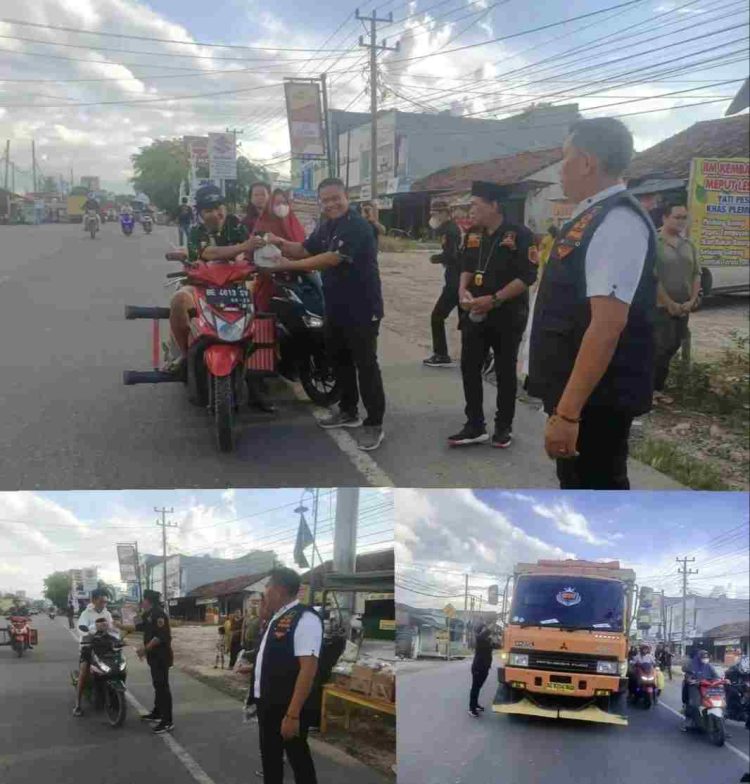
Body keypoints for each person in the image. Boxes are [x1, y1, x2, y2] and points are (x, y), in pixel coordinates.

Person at [528, 117, 657, 490]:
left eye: (564, 157)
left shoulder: (617, 221)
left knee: (595, 493)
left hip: (595, 403)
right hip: (581, 394)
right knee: (579, 489)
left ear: (586, 162)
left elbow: (607, 325)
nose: (560, 169)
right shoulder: (592, 214)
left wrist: (568, 414)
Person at [267, 178, 386, 452]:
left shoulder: (357, 226)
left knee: (366, 364)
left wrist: (289, 265)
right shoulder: (327, 225)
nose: (331, 204)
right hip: (335, 305)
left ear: (347, 198)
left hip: (363, 307)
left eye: (336, 198)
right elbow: (305, 249)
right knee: (339, 359)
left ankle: (374, 424)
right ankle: (348, 411)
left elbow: (332, 258)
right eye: (326, 200)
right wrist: (279, 242)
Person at [448, 181, 536, 449]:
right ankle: (474, 424)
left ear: (494, 205)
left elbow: (527, 276)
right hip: (475, 311)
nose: (470, 210)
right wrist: (462, 291)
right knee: (469, 366)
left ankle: (503, 426)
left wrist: (495, 299)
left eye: (475, 205)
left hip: (507, 314)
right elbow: (466, 266)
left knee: (505, 370)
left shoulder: (519, 234)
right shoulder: (473, 233)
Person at [168, 184, 271, 410]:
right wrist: (243, 247)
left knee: (261, 309)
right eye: (208, 210)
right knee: (178, 300)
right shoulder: (195, 232)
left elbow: (248, 255)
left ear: (225, 207)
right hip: (202, 286)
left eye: (219, 208)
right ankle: (185, 355)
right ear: (199, 213)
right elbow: (209, 253)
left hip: (235, 285)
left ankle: (257, 379)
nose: (216, 214)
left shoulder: (238, 226)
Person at [250, 568, 322, 784]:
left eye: (267, 586)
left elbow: (308, 669)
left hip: (288, 707)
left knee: (298, 760)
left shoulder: (305, 618)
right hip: (269, 704)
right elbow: (274, 655)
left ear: (279, 589)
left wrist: (292, 715)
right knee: (270, 759)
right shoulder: (278, 617)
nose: (264, 592)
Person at [653, 201, 701, 402]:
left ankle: (657, 389)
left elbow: (696, 273)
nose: (681, 221)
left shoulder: (689, 245)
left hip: (683, 307)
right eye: (677, 217)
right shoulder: (654, 242)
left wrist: (692, 300)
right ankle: (648, 391)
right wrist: (668, 303)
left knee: (673, 345)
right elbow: (652, 276)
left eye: (684, 218)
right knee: (658, 348)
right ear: (665, 218)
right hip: (659, 307)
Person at [253, 188, 308, 314]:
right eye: (277, 203)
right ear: (270, 206)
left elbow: (306, 249)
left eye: (284, 203)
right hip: (271, 286)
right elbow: (255, 256)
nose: (282, 206)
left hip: (299, 283)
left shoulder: (294, 223)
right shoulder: (262, 225)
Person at [423, 200, 463, 368]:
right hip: (459, 279)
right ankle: (476, 356)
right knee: (466, 322)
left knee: (437, 316)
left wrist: (436, 258)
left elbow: (451, 255)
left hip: (455, 282)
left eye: (435, 214)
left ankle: (441, 354)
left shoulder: (450, 231)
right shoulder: (450, 228)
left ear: (445, 213)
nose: (433, 218)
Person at [135, 590, 174, 735]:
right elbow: (138, 626)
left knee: (162, 687)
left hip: (161, 657)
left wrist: (144, 649)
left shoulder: (159, 614)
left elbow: (160, 637)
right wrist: (135, 613)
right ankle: (157, 713)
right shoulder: (148, 613)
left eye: (143, 600)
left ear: (148, 600)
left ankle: (167, 721)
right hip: (153, 657)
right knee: (157, 685)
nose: (142, 602)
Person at [73, 588, 115, 717]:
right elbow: (81, 630)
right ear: (94, 600)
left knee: (118, 666)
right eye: (101, 601)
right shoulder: (86, 613)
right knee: (84, 672)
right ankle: (78, 704)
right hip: (89, 647)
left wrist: (117, 633)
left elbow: (112, 629)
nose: (104, 604)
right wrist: (94, 628)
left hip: (105, 646)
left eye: (105, 601)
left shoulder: (107, 613)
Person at [682, 649, 720, 730]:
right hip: (695, 686)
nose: (705, 659)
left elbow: (716, 676)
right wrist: (691, 680)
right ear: (699, 658)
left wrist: (719, 681)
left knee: (718, 703)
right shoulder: (692, 664)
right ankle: (697, 723)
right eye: (703, 658)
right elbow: (687, 674)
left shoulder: (709, 666)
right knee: (695, 705)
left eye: (706, 657)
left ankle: (720, 725)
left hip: (707, 687)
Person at [468, 624, 493, 718]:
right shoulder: (479, 639)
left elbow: (495, 645)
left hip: (485, 668)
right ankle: (472, 709)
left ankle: (476, 704)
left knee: (478, 687)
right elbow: (482, 635)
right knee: (475, 688)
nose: (485, 631)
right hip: (478, 668)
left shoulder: (486, 640)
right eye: (483, 629)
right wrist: (488, 628)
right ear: (480, 631)